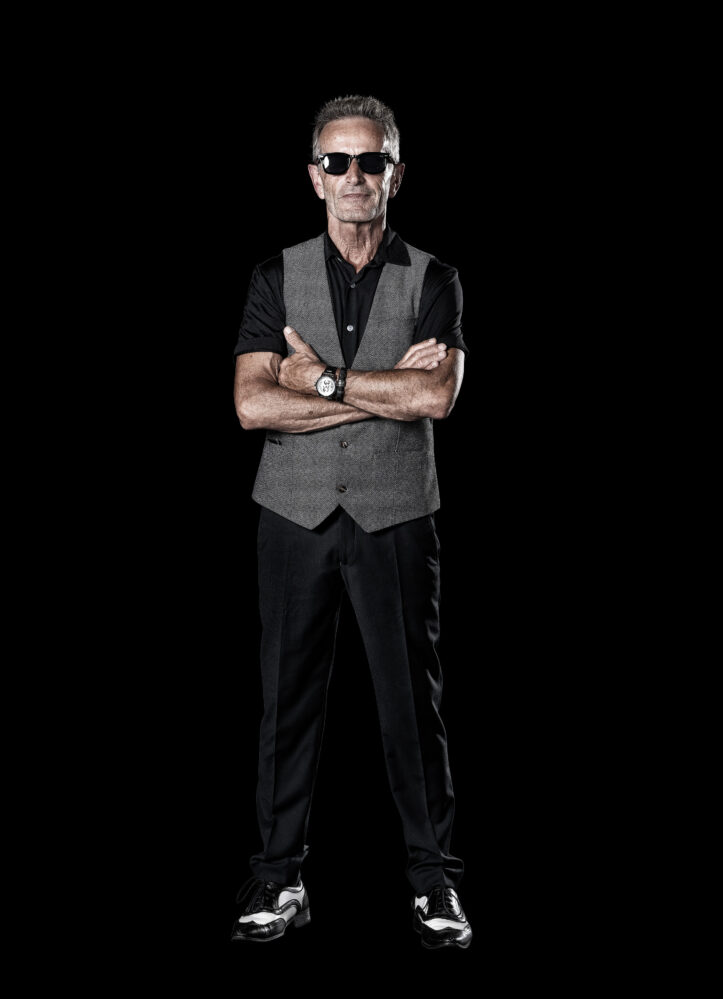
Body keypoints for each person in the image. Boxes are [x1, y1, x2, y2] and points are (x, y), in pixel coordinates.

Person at [231, 95, 471, 950]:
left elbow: (435, 396)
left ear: (396, 174)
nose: (355, 176)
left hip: (398, 516)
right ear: (315, 176)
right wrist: (379, 393)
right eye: (338, 162)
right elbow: (252, 406)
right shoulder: (274, 275)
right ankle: (277, 876)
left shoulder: (435, 278)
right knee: (286, 701)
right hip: (292, 516)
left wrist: (323, 382)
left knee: (411, 706)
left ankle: (434, 884)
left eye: (372, 161)